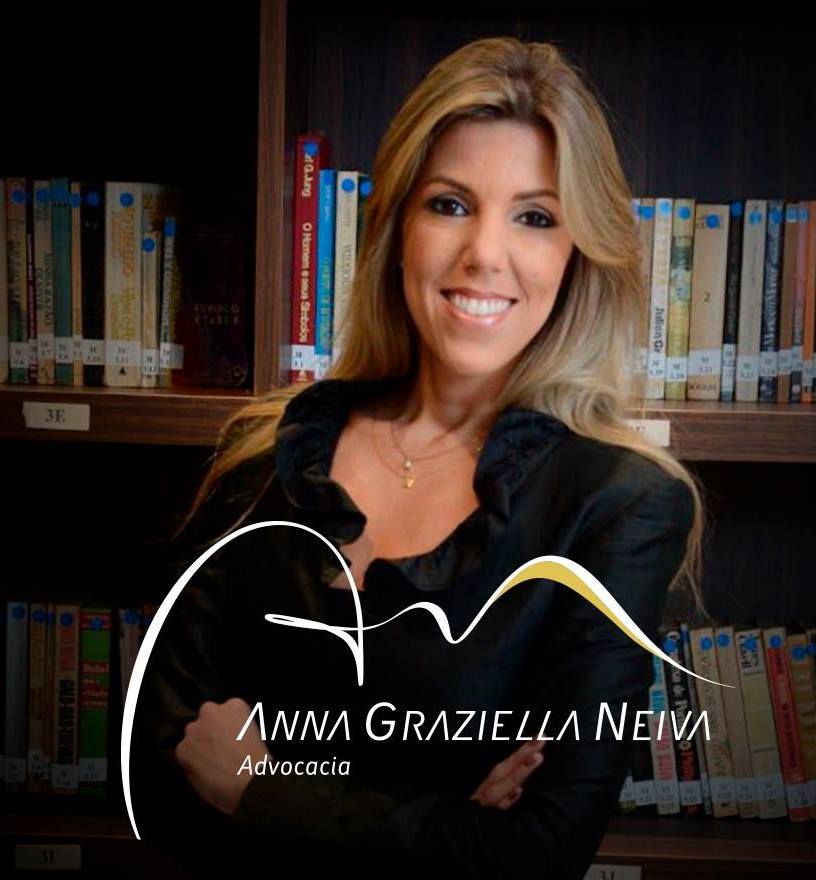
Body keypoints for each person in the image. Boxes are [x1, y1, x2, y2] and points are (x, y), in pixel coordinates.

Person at [130, 36, 704, 879]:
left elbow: (536, 855)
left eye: (536, 217)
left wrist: (258, 790)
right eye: (449, 204)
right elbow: (157, 780)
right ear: (397, 226)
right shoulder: (267, 451)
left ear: (578, 253)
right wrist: (442, 821)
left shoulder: (621, 503)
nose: (485, 254)